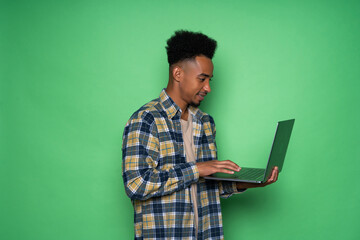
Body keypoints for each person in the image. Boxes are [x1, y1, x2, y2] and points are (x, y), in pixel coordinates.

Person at [122, 30, 279, 239]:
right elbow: (137, 184)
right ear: (178, 74)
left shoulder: (205, 122)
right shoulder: (146, 119)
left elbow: (207, 184)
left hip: (207, 233)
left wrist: (254, 181)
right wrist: (196, 169)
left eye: (210, 80)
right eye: (202, 79)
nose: (208, 88)